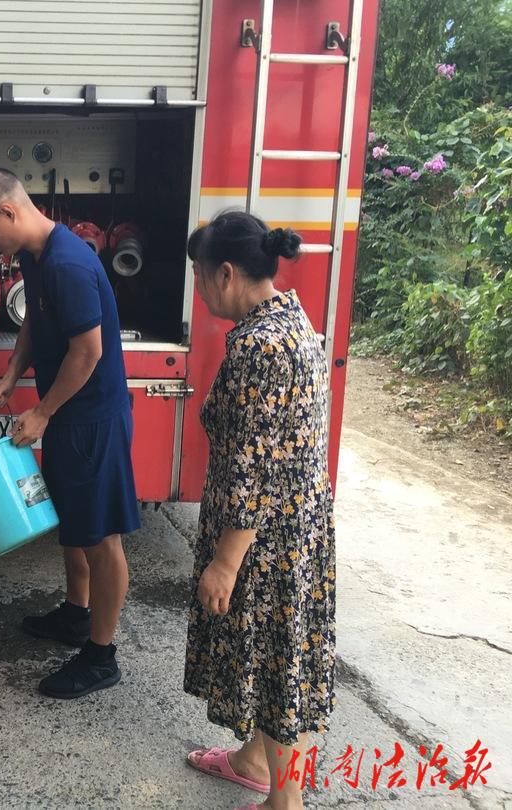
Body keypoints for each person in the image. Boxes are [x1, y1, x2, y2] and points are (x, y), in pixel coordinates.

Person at [0, 167, 139, 699]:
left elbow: (89, 352)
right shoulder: (35, 258)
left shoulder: (67, 263)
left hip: (92, 419)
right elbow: (37, 323)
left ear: (9, 212)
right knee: (73, 521)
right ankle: (75, 613)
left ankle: (101, 655)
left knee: (102, 537)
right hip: (67, 415)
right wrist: (15, 370)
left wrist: (41, 411)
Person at [181, 212, 335, 810]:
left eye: (199, 277)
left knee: (274, 660)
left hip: (266, 536)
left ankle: (285, 802)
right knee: (282, 650)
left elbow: (251, 464)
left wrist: (225, 562)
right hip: (295, 523)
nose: (197, 291)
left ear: (225, 273)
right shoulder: (290, 319)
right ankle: (252, 760)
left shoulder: (258, 347)